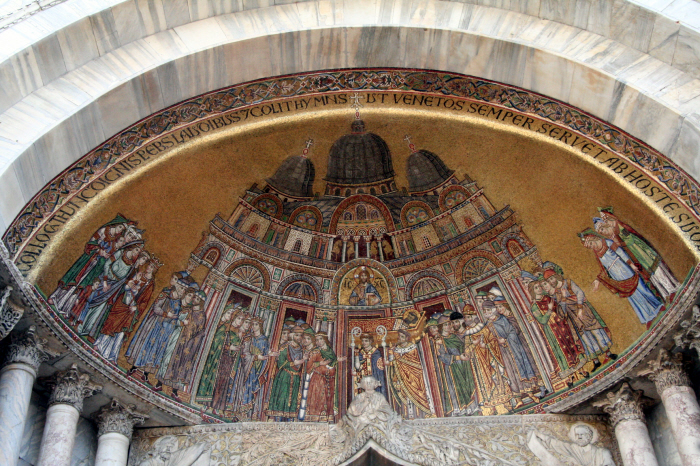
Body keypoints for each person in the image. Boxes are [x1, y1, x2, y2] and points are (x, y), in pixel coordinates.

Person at [580, 230, 662, 328]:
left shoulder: (607, 243)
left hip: (623, 267)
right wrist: (598, 280)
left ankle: (657, 305)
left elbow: (622, 253)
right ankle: (647, 317)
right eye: (589, 247)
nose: (591, 247)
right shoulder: (597, 254)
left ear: (593, 238)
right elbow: (604, 269)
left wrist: (631, 264)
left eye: (590, 244)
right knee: (631, 295)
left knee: (639, 286)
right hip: (616, 275)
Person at [597, 207, 678, 300]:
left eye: (606, 220)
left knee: (654, 267)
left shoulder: (619, 226)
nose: (606, 223)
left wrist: (619, 243)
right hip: (635, 254)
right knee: (648, 272)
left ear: (611, 217)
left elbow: (629, 240)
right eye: (604, 221)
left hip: (639, 250)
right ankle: (665, 293)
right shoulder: (614, 230)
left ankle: (671, 288)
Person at [543, 269, 616, 371]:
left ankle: (608, 353)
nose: (551, 282)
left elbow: (580, 293)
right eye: (548, 281)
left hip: (583, 311)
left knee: (595, 331)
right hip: (573, 318)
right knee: (585, 338)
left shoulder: (568, 283)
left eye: (551, 278)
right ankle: (596, 361)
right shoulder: (556, 294)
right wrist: (563, 297)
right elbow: (562, 310)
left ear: (556, 276)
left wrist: (580, 309)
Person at [94, 254, 159, 363]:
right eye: (149, 265)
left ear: (154, 270)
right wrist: (130, 283)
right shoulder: (139, 273)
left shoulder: (150, 284)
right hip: (123, 301)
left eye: (152, 267)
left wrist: (136, 307)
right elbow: (126, 283)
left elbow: (145, 301)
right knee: (111, 322)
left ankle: (112, 355)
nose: (148, 267)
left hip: (131, 308)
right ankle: (99, 344)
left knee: (121, 332)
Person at [528, 280, 583, 374]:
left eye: (539, 286)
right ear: (532, 291)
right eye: (536, 288)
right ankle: (567, 369)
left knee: (569, 342)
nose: (539, 289)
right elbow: (542, 321)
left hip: (561, 324)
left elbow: (559, 309)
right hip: (551, 329)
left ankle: (578, 364)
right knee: (560, 348)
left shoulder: (548, 298)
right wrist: (549, 310)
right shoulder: (534, 306)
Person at [194, 307, 243, 409]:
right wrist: (229, 347)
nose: (240, 321)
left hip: (228, 362)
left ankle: (217, 406)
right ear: (234, 317)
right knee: (215, 382)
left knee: (223, 384)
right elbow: (216, 341)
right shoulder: (225, 328)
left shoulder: (238, 332)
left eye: (242, 319)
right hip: (219, 359)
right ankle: (206, 404)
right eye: (239, 318)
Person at [163, 290, 207, 397]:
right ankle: (161, 384)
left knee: (182, 365)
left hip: (190, 344)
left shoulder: (201, 315)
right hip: (179, 338)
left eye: (197, 299)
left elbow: (199, 330)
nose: (194, 299)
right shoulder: (187, 309)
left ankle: (175, 391)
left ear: (201, 302)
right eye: (194, 297)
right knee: (170, 359)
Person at [386, 329, 432, 419]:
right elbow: (392, 363)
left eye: (402, 336)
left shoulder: (412, 348)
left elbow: (415, 362)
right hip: (401, 376)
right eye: (399, 336)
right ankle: (407, 415)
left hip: (413, 376)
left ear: (407, 338)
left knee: (417, 393)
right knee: (404, 394)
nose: (399, 338)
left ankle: (421, 414)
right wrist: (391, 354)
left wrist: (397, 357)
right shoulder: (396, 349)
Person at [231, 317, 271, 420]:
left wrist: (264, 358)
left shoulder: (264, 340)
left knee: (252, 390)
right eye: (252, 324)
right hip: (246, 368)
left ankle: (248, 413)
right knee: (243, 389)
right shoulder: (248, 338)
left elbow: (266, 356)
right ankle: (239, 411)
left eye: (256, 324)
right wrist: (256, 357)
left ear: (260, 326)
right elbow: (244, 353)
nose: (253, 326)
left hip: (256, 370)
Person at [267, 325, 305, 421]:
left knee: (293, 399)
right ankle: (277, 420)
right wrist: (294, 363)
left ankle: (290, 420)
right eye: (297, 335)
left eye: (301, 335)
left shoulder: (301, 349)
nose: (299, 337)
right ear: (292, 335)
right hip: (284, 376)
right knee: (282, 397)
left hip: (296, 377)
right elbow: (281, 363)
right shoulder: (285, 348)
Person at [528, 424, 615, 466]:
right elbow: (556, 444)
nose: (579, 437)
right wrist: (539, 434)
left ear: (589, 436)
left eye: (582, 434)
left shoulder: (602, 452)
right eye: (577, 435)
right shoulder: (573, 448)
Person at [353, 333, 387, 399]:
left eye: (366, 341)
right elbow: (357, 367)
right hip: (363, 378)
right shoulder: (361, 353)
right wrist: (356, 357)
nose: (364, 343)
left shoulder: (376, 353)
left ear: (370, 341)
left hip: (373, 379)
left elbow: (379, 369)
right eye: (362, 341)